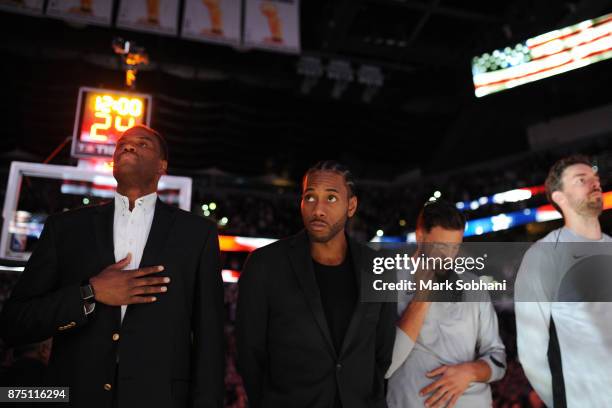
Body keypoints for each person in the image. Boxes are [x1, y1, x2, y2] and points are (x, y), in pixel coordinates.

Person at [0, 125, 225, 408]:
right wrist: (89, 293)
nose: (128, 147)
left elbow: (210, 342)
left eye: (142, 144)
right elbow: (14, 323)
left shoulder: (197, 234)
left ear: (162, 166)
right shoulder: (65, 228)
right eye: (123, 143)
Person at [236, 160, 395, 408]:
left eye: (331, 198)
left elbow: (382, 353)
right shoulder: (264, 264)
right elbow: (249, 353)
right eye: (310, 197)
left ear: (351, 206)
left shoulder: (379, 267)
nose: (318, 209)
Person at [386, 200, 506, 408]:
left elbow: (498, 358)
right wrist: (422, 299)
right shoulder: (389, 280)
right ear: (421, 236)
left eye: (455, 247)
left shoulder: (473, 286)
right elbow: (384, 364)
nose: (448, 257)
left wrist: (470, 372)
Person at [515, 154, 612, 407]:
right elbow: (531, 352)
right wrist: (563, 401)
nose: (595, 184)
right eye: (582, 180)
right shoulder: (543, 256)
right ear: (560, 197)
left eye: (596, 178)